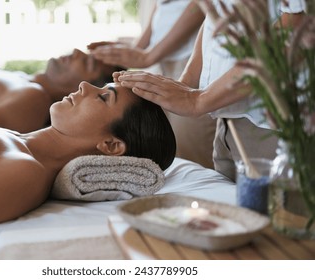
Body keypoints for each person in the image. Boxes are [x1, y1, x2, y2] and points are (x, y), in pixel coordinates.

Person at [0, 81, 176, 246]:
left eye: (102, 97)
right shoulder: (13, 138)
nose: (84, 85)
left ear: (110, 146)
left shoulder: (24, 172)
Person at [112, 0, 306, 181]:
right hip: (227, 119)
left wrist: (199, 100)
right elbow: (212, 19)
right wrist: (188, 82)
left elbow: (296, 25)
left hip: (269, 123)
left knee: (278, 214)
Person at [88, 0, 216, 169]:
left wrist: (148, 56)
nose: (83, 87)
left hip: (193, 60)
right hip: (169, 61)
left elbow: (201, 5)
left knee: (195, 157)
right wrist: (138, 48)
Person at [0, 48, 124, 133]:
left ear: (85, 89)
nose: (77, 52)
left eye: (89, 62)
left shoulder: (33, 98)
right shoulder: (24, 81)